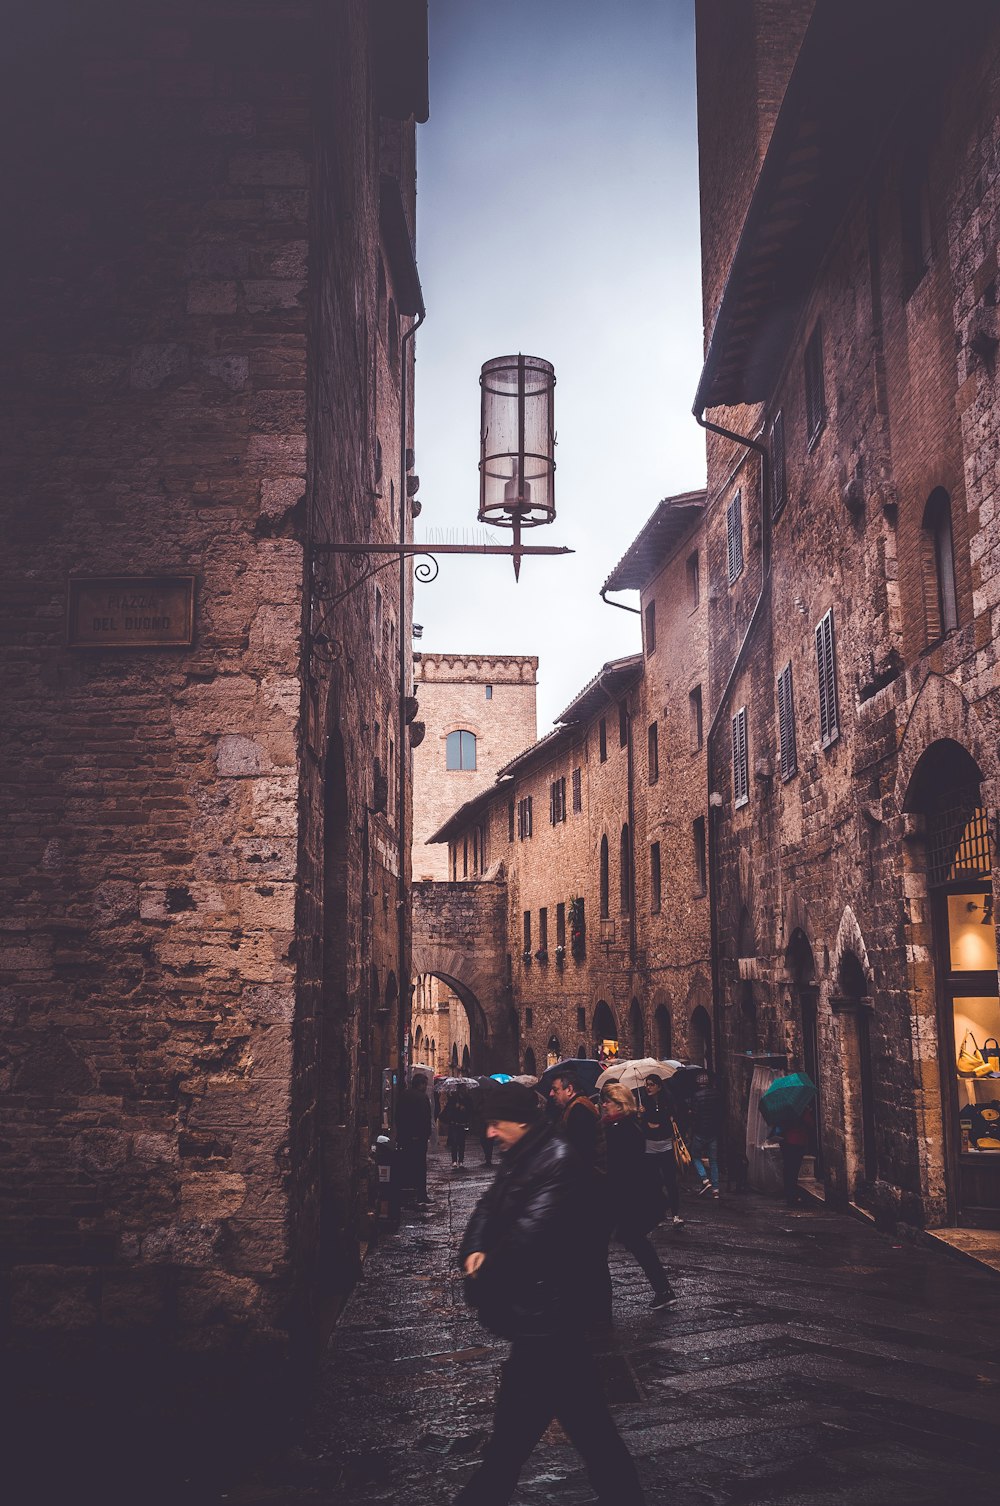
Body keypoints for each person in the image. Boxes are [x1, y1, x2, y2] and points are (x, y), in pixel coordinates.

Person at [455, 1081, 646, 1506]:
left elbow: (528, 1239)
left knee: (525, 1437)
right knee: (580, 1428)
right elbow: (488, 1207)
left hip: (548, 1317)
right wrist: (474, 1248)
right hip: (544, 1323)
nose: (489, 1134)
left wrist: (485, 1267)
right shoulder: (521, 1155)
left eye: (495, 1124)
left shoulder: (555, 1160)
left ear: (521, 1122)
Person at [600, 1085, 677, 1309]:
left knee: (631, 1240)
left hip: (628, 1197)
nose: (604, 1105)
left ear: (620, 1104)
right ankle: (663, 1290)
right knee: (634, 1241)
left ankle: (663, 1290)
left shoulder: (622, 1129)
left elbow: (620, 1167)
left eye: (608, 1102)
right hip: (629, 1196)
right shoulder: (624, 1126)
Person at [549, 1069, 611, 1324]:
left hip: (589, 1192)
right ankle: (592, 1308)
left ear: (570, 1089)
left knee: (591, 1253)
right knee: (588, 1253)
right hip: (587, 1190)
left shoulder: (579, 1111)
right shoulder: (574, 1109)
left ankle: (598, 1313)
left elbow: (580, 1154)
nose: (551, 1094)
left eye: (556, 1089)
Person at [638, 1073, 684, 1226]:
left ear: (658, 1086)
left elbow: (672, 1119)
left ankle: (676, 1215)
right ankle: (659, 1213)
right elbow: (644, 1127)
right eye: (646, 1084)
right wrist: (641, 1116)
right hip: (650, 1147)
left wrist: (658, 1124)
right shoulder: (643, 1103)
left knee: (670, 1181)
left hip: (665, 1145)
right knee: (654, 1182)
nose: (648, 1087)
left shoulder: (668, 1100)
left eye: (651, 1084)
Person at [396, 1072, 432, 1205]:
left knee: (406, 1164)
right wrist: (425, 1135)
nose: (425, 1087)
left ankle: (406, 1195)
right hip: (418, 1139)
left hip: (405, 1137)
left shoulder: (403, 1095)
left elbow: (398, 1116)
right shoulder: (422, 1098)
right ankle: (421, 1195)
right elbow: (425, 1119)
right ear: (421, 1084)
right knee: (420, 1167)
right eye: (425, 1084)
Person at [689, 1069, 723, 1198]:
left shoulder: (696, 1096)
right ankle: (716, 1190)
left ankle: (704, 1179)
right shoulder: (717, 1094)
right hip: (713, 1132)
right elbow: (720, 1113)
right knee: (714, 1161)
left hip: (700, 1131)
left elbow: (695, 1115)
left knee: (695, 1156)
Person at [777, 1101, 816, 1206]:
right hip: (797, 1142)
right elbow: (810, 1124)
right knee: (794, 1170)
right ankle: (792, 1196)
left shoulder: (784, 1110)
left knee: (788, 1169)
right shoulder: (802, 1109)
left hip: (785, 1142)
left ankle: (789, 1194)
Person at [440, 1088, 472, 1168]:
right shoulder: (453, 1098)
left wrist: (464, 1108)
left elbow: (471, 1110)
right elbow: (448, 1109)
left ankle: (461, 1160)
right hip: (454, 1123)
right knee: (454, 1142)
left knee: (462, 1143)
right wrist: (455, 1107)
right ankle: (454, 1160)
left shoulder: (468, 1099)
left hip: (463, 1123)